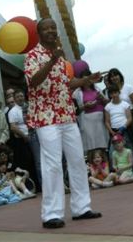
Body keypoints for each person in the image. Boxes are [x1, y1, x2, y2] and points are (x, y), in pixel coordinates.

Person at [24, 18, 102, 229]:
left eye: (53, 28)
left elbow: (65, 84)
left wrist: (86, 80)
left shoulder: (60, 57)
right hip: (45, 117)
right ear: (39, 34)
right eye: (46, 29)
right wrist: (51, 60)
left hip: (67, 114)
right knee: (53, 164)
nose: (51, 31)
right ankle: (51, 214)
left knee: (77, 160)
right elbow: (34, 81)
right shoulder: (33, 56)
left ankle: (81, 208)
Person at [107, 68, 133, 178]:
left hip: (131, 117)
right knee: (123, 146)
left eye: (116, 75)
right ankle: (128, 171)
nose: (114, 77)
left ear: (120, 76)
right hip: (118, 120)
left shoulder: (128, 87)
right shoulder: (110, 90)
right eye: (112, 76)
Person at [72, 68, 109, 156]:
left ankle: (105, 167)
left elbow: (107, 105)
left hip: (100, 122)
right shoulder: (77, 93)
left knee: (102, 145)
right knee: (91, 147)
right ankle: (93, 168)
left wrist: (102, 99)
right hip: (87, 123)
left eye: (88, 78)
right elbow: (75, 110)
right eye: (84, 79)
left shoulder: (97, 89)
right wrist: (85, 106)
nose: (87, 81)